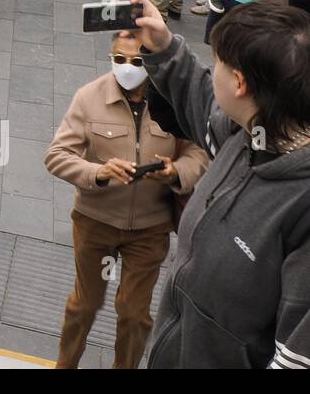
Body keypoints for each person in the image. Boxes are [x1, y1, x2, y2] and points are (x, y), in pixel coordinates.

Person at [125, 0, 310, 370]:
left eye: (219, 64)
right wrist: (162, 46)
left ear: (240, 83)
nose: (214, 72)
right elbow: (202, 99)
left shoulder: (300, 203)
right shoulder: (251, 135)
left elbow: (296, 358)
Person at [45, 31, 208, 369]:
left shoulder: (172, 101)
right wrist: (98, 173)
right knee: (84, 306)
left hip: (150, 229)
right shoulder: (89, 98)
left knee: (134, 315)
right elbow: (57, 155)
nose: (127, 67)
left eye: (137, 61)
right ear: (110, 57)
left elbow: (200, 153)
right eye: (119, 59)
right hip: (95, 223)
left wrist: (175, 171)